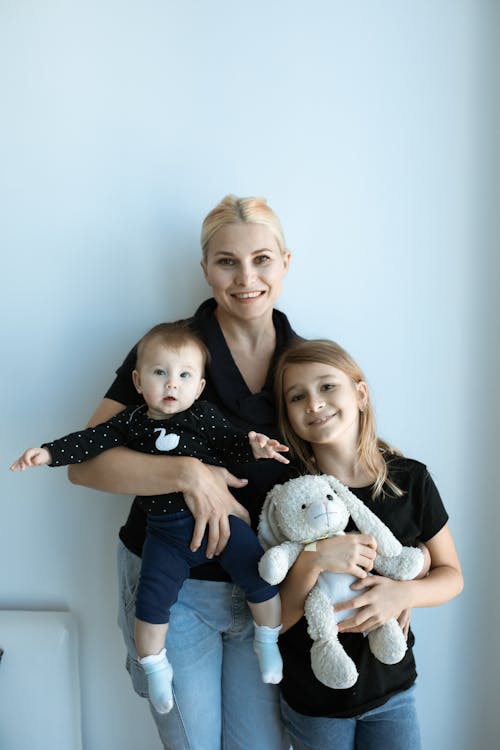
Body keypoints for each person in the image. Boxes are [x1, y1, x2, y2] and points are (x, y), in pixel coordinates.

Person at [53, 194, 373, 750]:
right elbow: (84, 467)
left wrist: (389, 581)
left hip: (267, 590)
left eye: (262, 259)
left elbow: (344, 471)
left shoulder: (306, 366)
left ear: (286, 263)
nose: (245, 277)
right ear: (205, 269)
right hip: (172, 589)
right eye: (227, 261)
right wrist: (188, 474)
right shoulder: (169, 350)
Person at [10, 321, 288, 713]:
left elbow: (232, 444)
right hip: (165, 536)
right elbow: (89, 443)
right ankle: (155, 668)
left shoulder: (203, 416)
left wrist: (256, 447)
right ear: (139, 382)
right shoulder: (131, 422)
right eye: (161, 374)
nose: (172, 384)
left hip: (222, 526)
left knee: (259, 575)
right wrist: (49, 453)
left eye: (184, 376)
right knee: (151, 605)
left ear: (199, 387)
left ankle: (267, 641)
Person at [271, 338, 463, 750]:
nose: (314, 403)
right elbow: (273, 619)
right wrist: (314, 559)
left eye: (327, 387)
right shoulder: (289, 498)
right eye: (297, 396)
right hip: (315, 702)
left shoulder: (410, 480)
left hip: (393, 691)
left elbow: (453, 576)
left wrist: (403, 593)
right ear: (287, 413)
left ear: (360, 394)